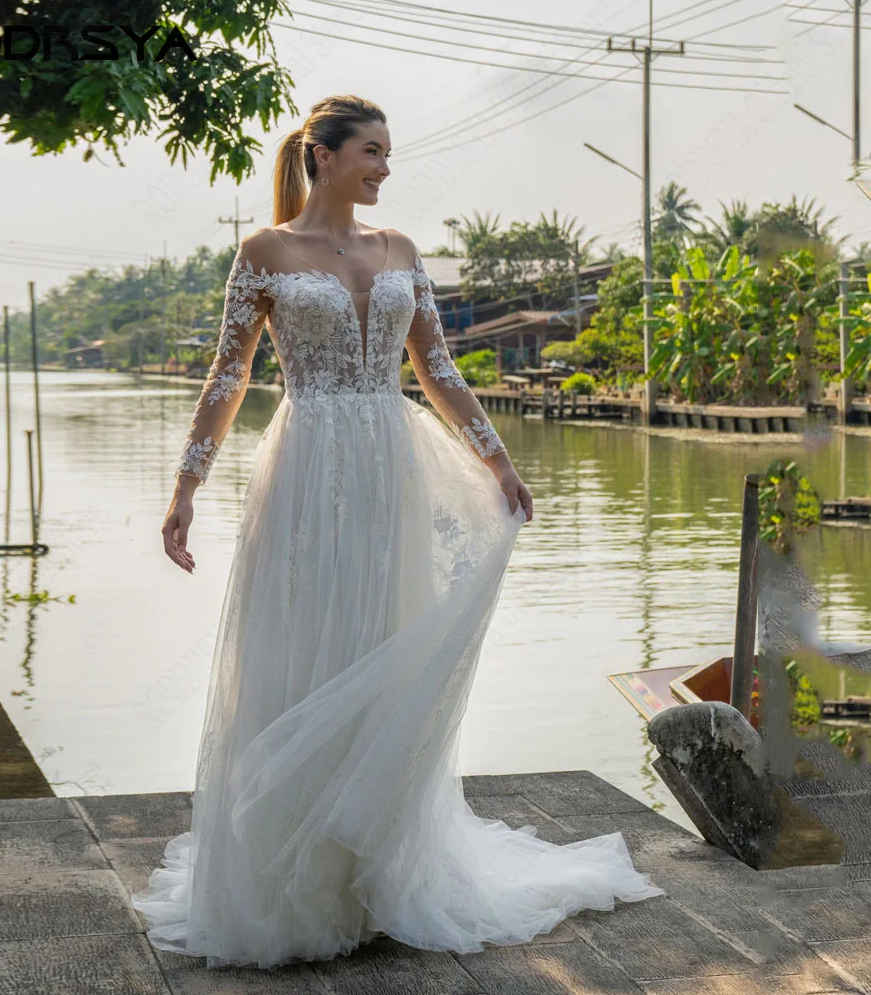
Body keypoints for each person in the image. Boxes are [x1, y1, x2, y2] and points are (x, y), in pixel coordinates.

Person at [131, 94, 664, 970]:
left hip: (391, 462)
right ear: (325, 155)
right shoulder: (263, 254)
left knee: (387, 646)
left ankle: (382, 872)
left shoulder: (401, 252)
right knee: (306, 653)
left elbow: (437, 368)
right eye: (373, 151)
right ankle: (298, 884)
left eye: (389, 153)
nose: (385, 167)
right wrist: (185, 488)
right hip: (306, 472)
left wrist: (497, 461)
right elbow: (227, 379)